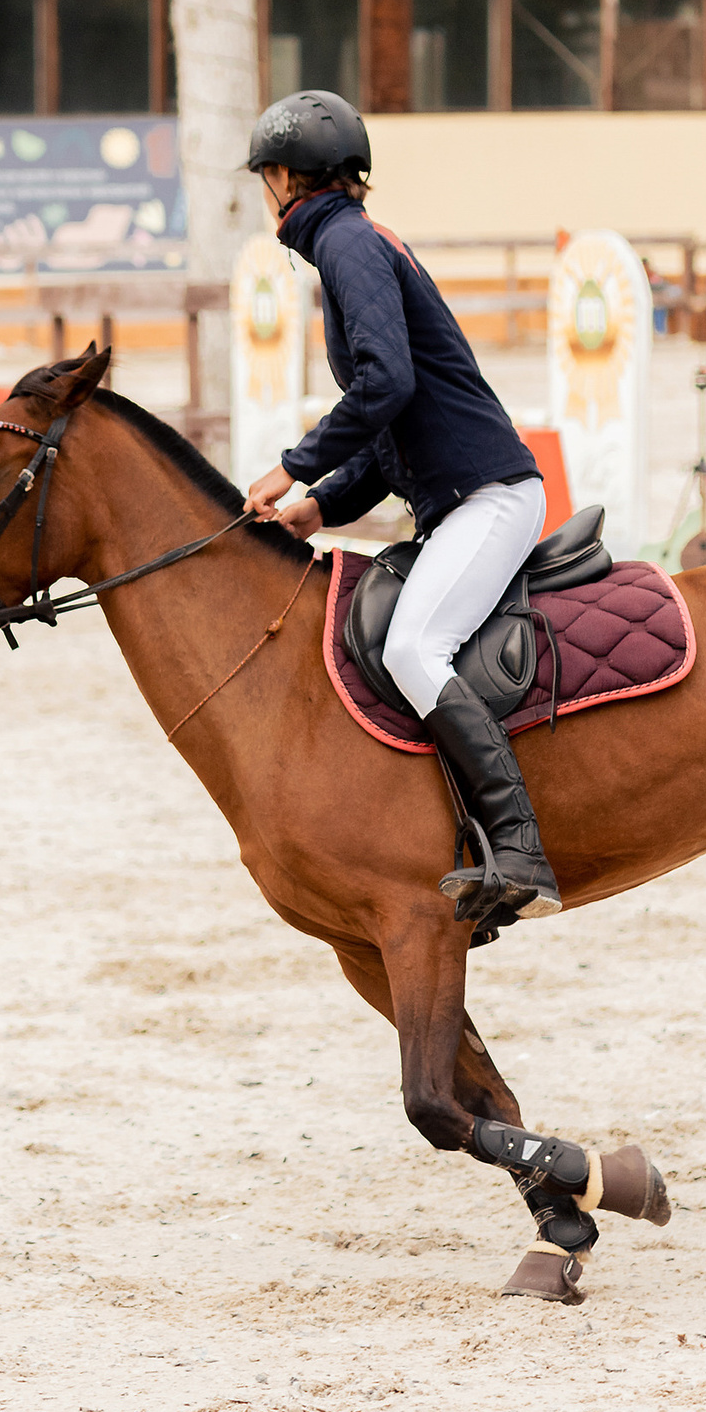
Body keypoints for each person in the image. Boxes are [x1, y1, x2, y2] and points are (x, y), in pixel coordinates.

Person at [237, 89, 560, 921]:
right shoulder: (352, 240)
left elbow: (386, 384)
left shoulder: (346, 244)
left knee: (415, 646)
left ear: (285, 177)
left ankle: (520, 849)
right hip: (462, 498)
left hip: (489, 496)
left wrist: (292, 467)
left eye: (265, 178)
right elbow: (394, 426)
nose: (266, 193)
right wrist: (322, 505)